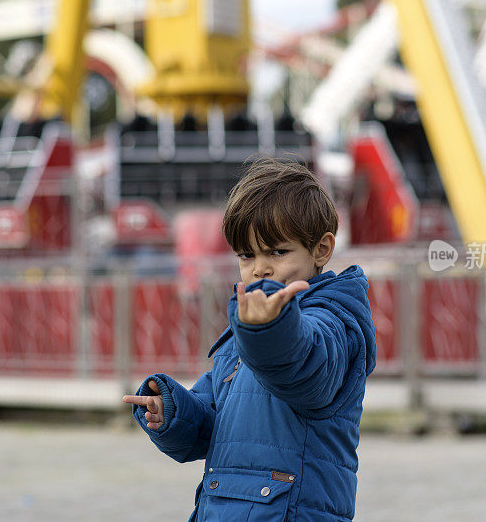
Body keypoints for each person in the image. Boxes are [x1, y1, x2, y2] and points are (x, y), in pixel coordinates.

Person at [122, 159, 377, 521]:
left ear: (321, 249)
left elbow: (305, 368)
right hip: (221, 508)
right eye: (247, 255)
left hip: (289, 511)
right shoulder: (244, 329)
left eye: (277, 251)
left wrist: (267, 329)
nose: (260, 268)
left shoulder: (335, 318)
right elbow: (212, 422)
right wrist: (173, 412)